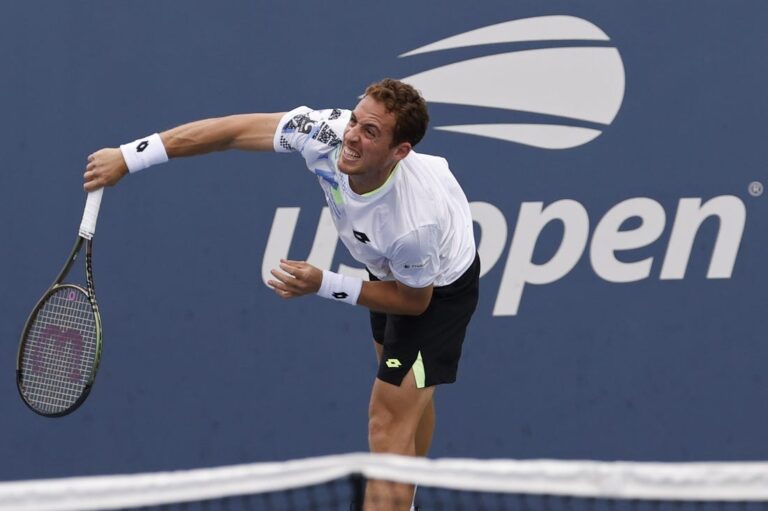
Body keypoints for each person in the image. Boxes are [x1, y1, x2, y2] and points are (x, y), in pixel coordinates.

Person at [83, 79, 479, 510]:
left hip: (436, 288)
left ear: (400, 151)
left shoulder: (412, 224)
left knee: (387, 419)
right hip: (386, 266)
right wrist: (129, 156)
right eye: (355, 120)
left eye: (371, 132)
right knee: (408, 391)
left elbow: (414, 303)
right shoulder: (324, 132)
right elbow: (230, 131)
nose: (352, 136)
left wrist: (324, 284)